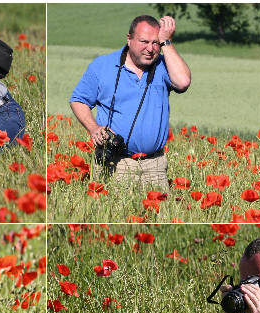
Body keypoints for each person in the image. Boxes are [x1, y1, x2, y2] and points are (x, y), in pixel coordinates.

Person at [70, 14, 191, 186]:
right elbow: (78, 100)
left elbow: (183, 82)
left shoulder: (164, 66)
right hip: (114, 164)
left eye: (155, 43)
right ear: (129, 39)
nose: (150, 49)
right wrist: (94, 128)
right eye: (144, 41)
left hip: (154, 166)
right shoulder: (102, 65)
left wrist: (167, 42)